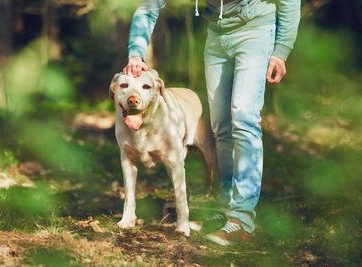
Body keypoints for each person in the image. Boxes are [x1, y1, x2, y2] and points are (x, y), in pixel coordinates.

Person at [122, 0, 300, 246]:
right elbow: (149, 6)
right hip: (217, 33)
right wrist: (136, 53)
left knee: (244, 117)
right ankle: (226, 210)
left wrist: (281, 50)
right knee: (221, 127)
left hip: (256, 30)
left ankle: (242, 220)